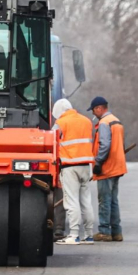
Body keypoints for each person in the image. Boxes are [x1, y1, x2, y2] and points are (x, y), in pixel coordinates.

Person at [53, 98, 95, 245]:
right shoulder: (86, 121)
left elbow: (52, 143)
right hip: (86, 166)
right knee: (86, 201)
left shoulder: (61, 123)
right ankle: (89, 235)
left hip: (69, 166)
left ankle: (74, 235)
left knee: (71, 201)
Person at [90, 96, 127, 242]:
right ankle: (116, 232)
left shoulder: (105, 123)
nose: (93, 114)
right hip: (117, 166)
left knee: (104, 200)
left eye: (94, 110)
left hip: (107, 167)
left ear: (99, 108)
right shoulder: (116, 121)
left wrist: (98, 162)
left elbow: (104, 145)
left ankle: (104, 232)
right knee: (113, 200)